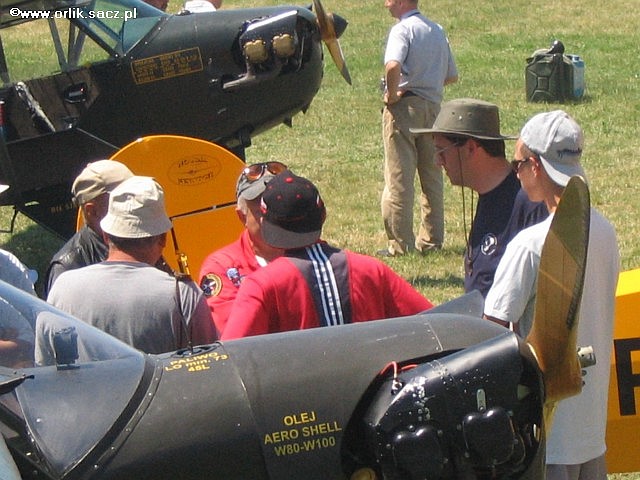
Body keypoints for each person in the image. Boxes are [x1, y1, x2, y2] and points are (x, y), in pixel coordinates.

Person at [483, 110, 619, 479]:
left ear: (535, 166)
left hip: (548, 439)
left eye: (518, 164)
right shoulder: (606, 232)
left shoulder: (529, 245)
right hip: (592, 434)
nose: (516, 173)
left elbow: (491, 331)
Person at [222, 170, 434, 340]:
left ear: (266, 225)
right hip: (376, 382)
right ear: (323, 215)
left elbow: (230, 356)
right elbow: (433, 322)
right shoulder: (372, 269)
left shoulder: (261, 285)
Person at [47, 176, 216, 354]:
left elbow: (46, 363)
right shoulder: (184, 296)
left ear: (105, 235)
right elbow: (210, 363)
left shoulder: (62, 288)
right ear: (163, 239)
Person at [412, 98, 548, 297]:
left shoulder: (530, 204)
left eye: (441, 151)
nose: (437, 161)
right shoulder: (488, 195)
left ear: (470, 148)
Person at [379, 0, 458, 257]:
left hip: (406, 108)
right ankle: (432, 240)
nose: (386, 3)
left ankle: (401, 244)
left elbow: (393, 65)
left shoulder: (402, 30)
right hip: (433, 110)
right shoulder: (437, 30)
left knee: (399, 177)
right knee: (432, 176)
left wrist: (392, 94)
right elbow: (451, 75)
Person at [199, 162, 285, 336]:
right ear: (242, 216)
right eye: (261, 210)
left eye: (279, 205)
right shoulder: (221, 267)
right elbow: (234, 335)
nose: (272, 216)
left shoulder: (312, 249)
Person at [43, 160, 133, 297]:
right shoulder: (68, 269)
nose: (136, 204)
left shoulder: (142, 240)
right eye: (124, 199)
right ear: (92, 211)